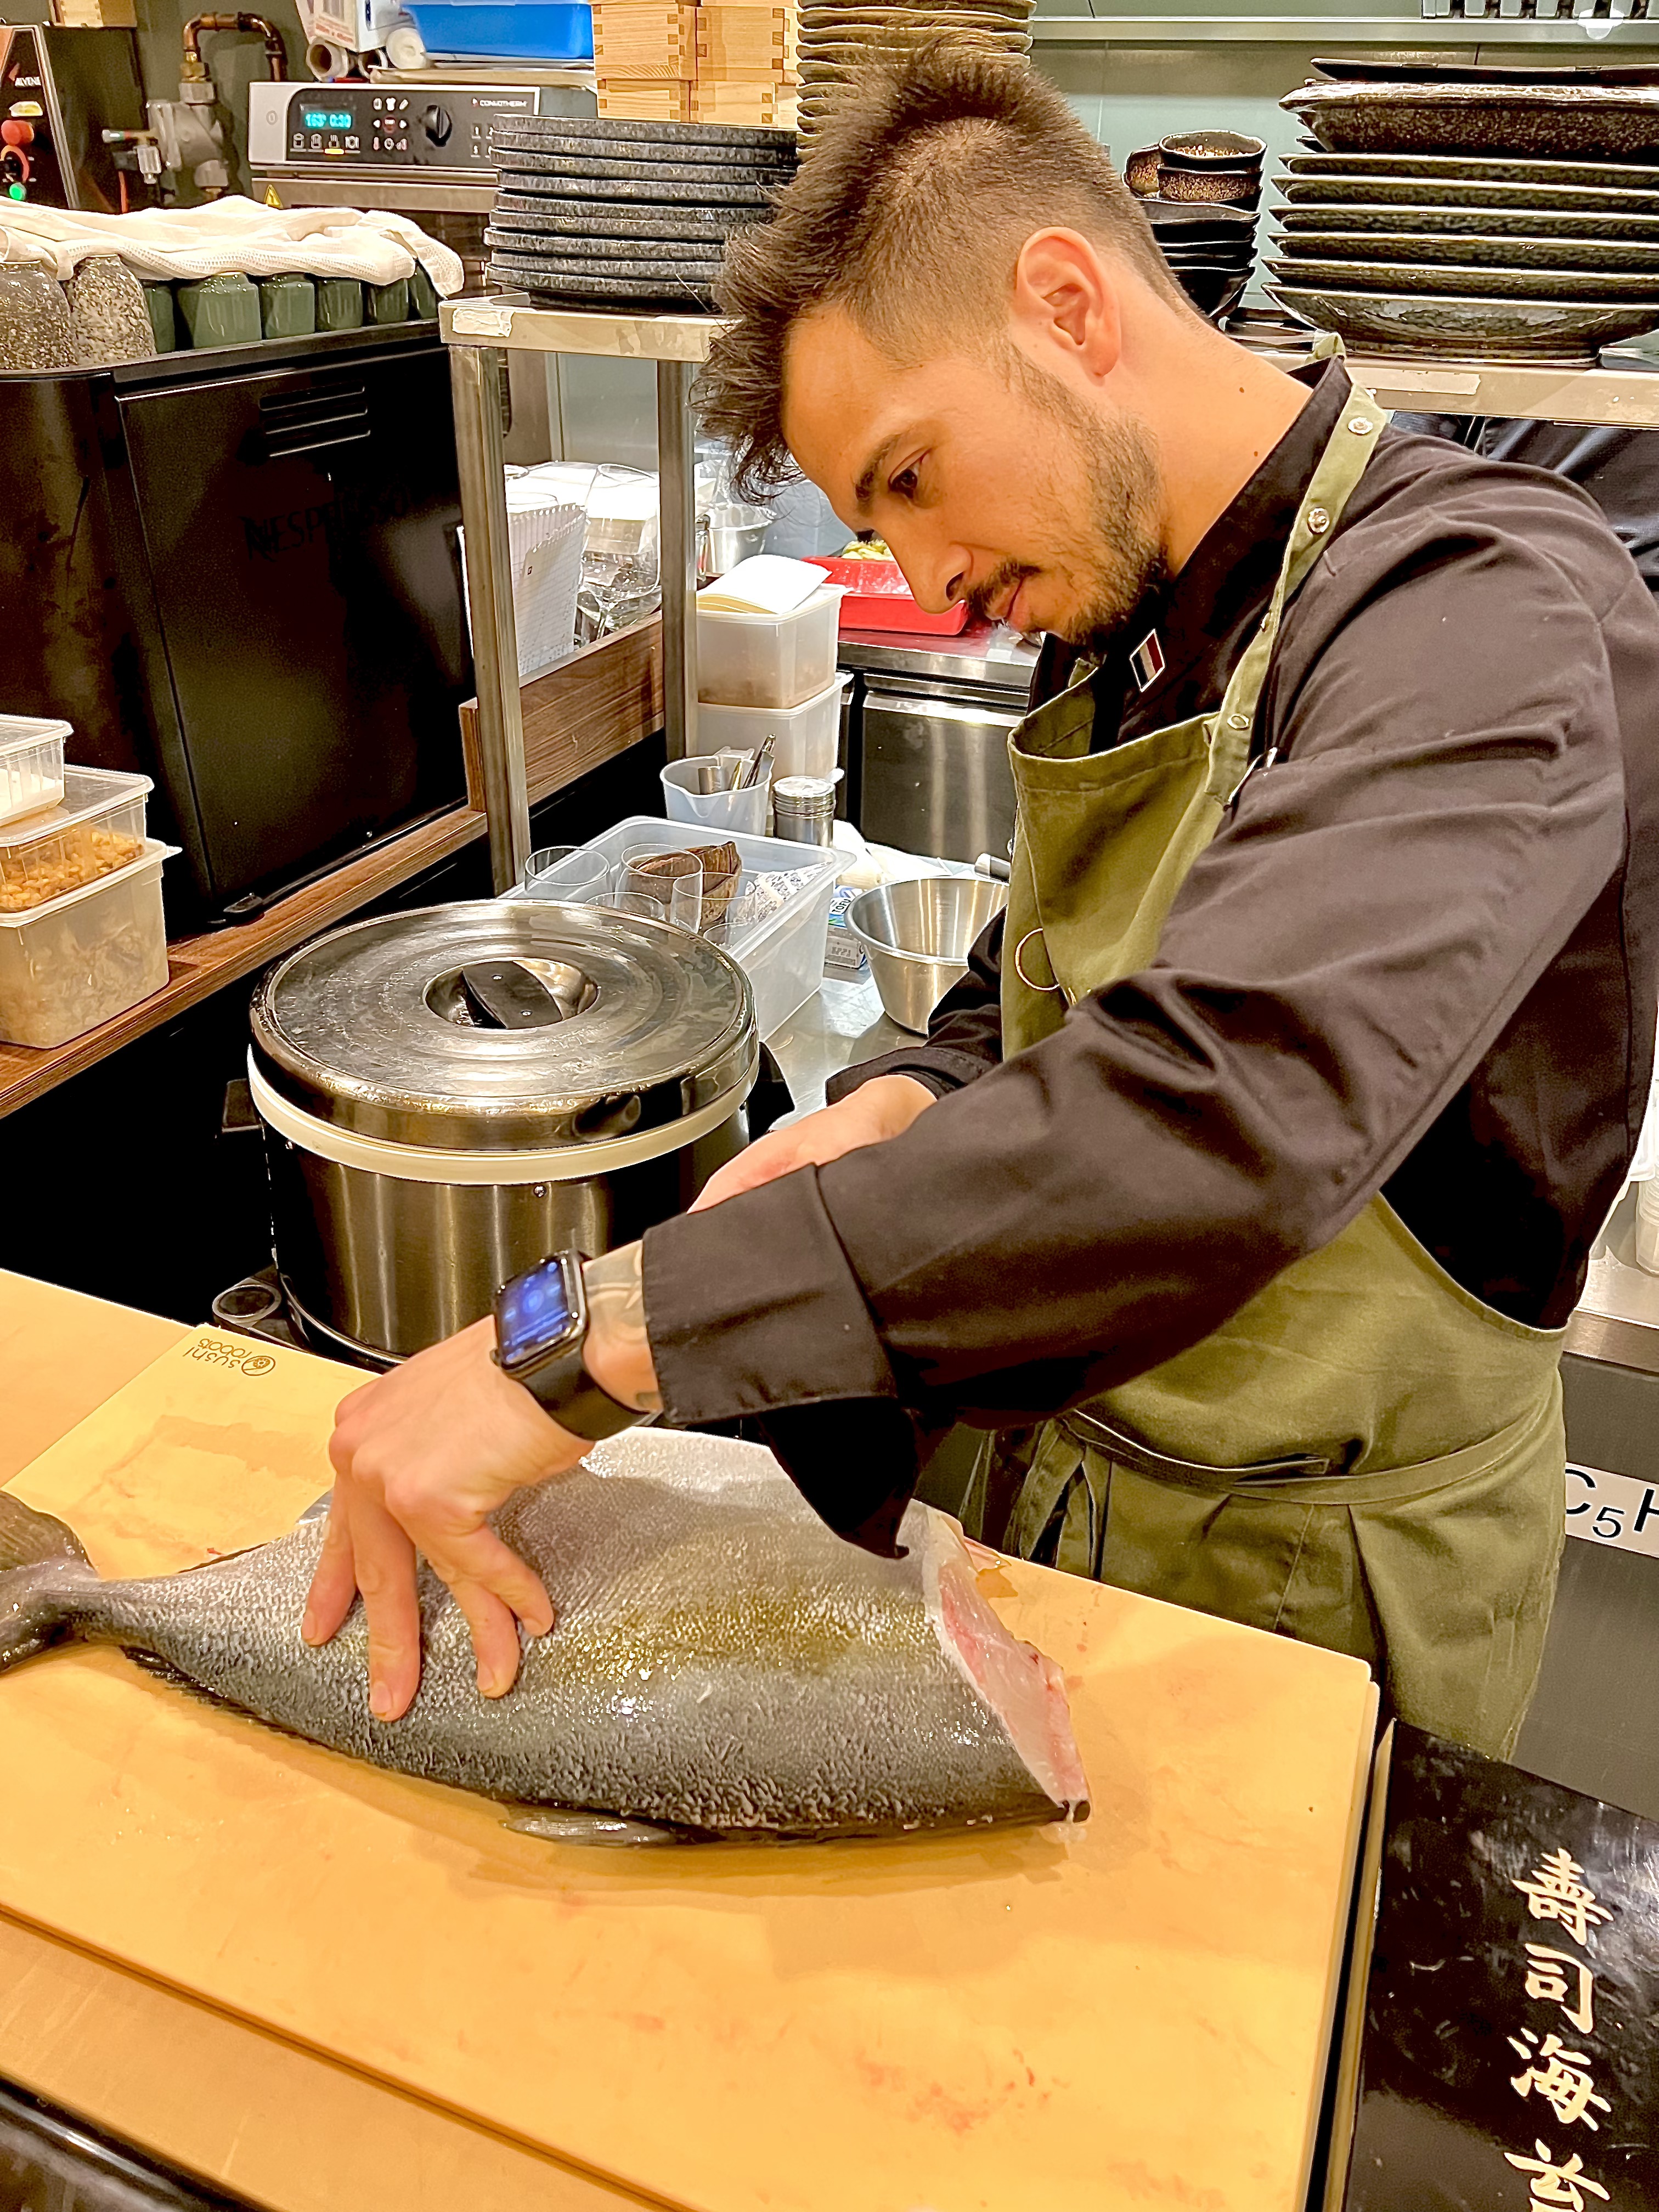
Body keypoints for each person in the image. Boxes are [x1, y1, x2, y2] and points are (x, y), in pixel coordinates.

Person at [303, 47, 1659, 1759]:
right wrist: (907, 1096)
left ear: (1068, 305)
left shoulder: (1482, 610)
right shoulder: (1138, 614)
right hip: (1076, 1513)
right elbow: (1045, 984)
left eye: (910, 475)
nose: (925, 574)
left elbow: (1223, 1105)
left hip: (1319, 1606)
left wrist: (583, 1344)